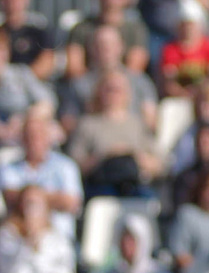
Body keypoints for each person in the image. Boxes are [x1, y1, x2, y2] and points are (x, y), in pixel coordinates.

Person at [66, 70, 163, 201]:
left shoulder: (138, 125)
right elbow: (74, 166)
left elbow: (159, 165)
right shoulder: (87, 125)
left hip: (135, 186)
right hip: (100, 186)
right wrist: (104, 156)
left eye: (118, 90)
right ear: (99, 92)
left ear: (128, 93)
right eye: (109, 89)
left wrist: (133, 156)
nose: (114, 94)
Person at [0, 182, 79, 273]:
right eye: (29, 203)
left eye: (37, 203)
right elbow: (8, 269)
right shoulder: (6, 234)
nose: (33, 209)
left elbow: (67, 268)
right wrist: (29, 239)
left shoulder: (55, 235)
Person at [0, 108, 81, 218]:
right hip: (19, 227)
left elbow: (71, 203)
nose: (34, 140)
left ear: (48, 137)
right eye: (29, 135)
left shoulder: (66, 166)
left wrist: (29, 197)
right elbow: (9, 197)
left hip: (57, 227)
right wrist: (54, 198)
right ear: (22, 138)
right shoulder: (8, 167)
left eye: (39, 135)